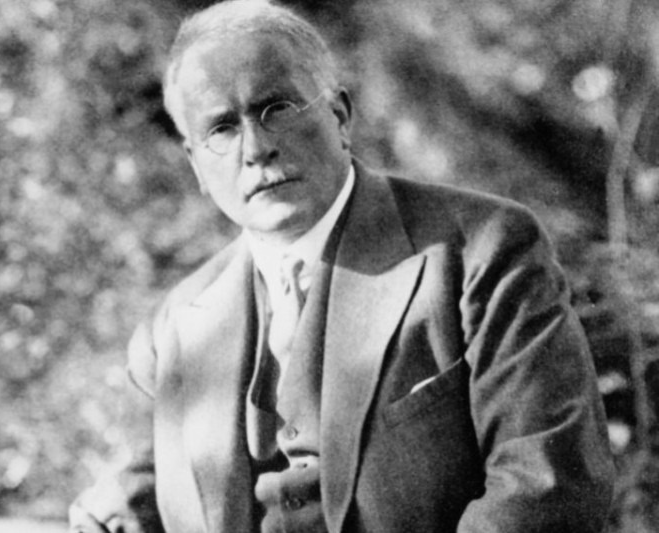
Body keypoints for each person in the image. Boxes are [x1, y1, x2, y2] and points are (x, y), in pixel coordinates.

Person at [69, 1, 614, 531]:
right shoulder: (172, 331)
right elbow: (142, 494)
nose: (255, 148)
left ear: (339, 116)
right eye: (221, 129)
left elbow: (544, 484)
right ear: (195, 164)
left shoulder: (479, 251)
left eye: (276, 108)